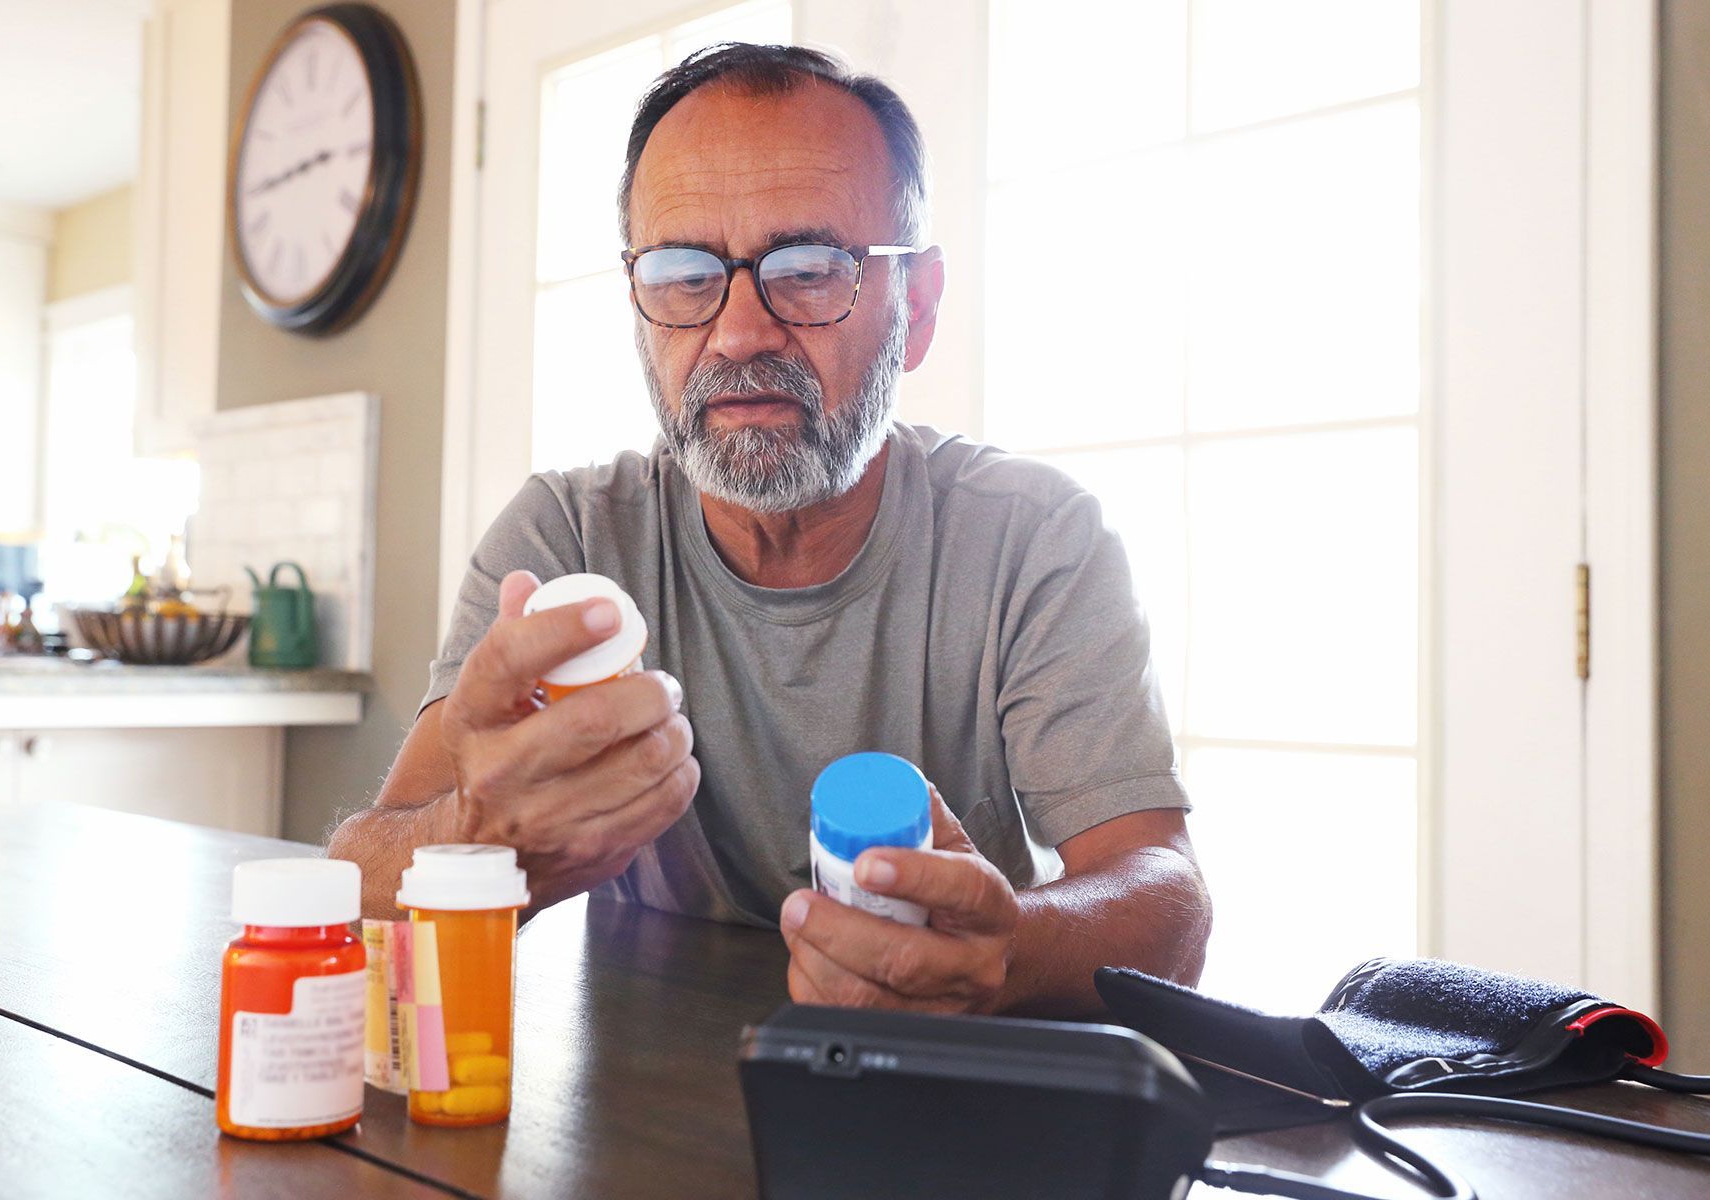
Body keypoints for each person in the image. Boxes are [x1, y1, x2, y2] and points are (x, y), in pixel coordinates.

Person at [329, 42, 1211, 1017]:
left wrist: (1002, 950)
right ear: (638, 308)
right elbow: (361, 883)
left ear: (913, 307)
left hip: (944, 1103)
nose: (740, 332)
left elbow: (1166, 903)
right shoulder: (566, 543)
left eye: (809, 269)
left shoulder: (1034, 540)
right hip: (636, 1126)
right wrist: (482, 831)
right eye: (681, 273)